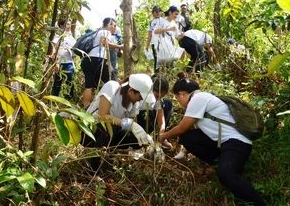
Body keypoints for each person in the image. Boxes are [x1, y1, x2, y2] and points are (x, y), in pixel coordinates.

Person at [158, 73, 266, 206]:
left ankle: (258, 203)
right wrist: (181, 151)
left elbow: (181, 128)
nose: (179, 102)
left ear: (181, 94)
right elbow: (187, 132)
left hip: (237, 143)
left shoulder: (198, 98)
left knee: (226, 174)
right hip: (225, 144)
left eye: (177, 98)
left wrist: (163, 136)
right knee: (187, 137)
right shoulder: (203, 98)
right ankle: (219, 163)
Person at [83, 73, 156, 151]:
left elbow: (133, 124)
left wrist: (141, 132)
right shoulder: (112, 87)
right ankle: (96, 158)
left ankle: (115, 154)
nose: (141, 99)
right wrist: (127, 123)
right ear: (131, 91)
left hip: (112, 132)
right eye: (140, 96)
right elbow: (102, 116)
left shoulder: (134, 103)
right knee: (105, 129)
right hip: (91, 130)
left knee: (133, 137)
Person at [81, 17, 123, 108]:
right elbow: (104, 42)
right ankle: (110, 105)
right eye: (114, 25)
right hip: (97, 60)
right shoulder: (105, 32)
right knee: (112, 81)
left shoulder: (97, 32)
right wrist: (120, 46)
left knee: (89, 84)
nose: (115, 28)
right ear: (109, 25)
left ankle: (87, 106)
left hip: (87, 60)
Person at [136, 75, 173, 148]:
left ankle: (157, 137)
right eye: (156, 96)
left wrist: (162, 137)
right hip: (139, 121)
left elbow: (161, 121)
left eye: (160, 97)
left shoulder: (158, 101)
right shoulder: (140, 96)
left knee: (167, 103)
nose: (157, 99)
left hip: (150, 120)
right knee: (148, 113)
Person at [51, 19, 76, 99]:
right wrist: (56, 62)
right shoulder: (57, 37)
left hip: (69, 63)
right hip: (59, 62)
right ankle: (53, 100)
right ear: (61, 26)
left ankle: (69, 99)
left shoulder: (72, 39)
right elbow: (53, 49)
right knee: (57, 82)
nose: (68, 26)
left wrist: (71, 53)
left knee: (70, 79)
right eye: (67, 24)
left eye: (69, 24)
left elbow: (74, 54)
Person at [146, 6, 171, 73]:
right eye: (156, 11)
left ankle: (166, 75)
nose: (158, 13)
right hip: (154, 43)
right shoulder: (151, 22)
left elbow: (167, 32)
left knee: (165, 59)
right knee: (156, 59)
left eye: (159, 11)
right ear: (153, 13)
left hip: (163, 43)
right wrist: (147, 45)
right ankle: (156, 76)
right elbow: (149, 34)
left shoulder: (163, 21)